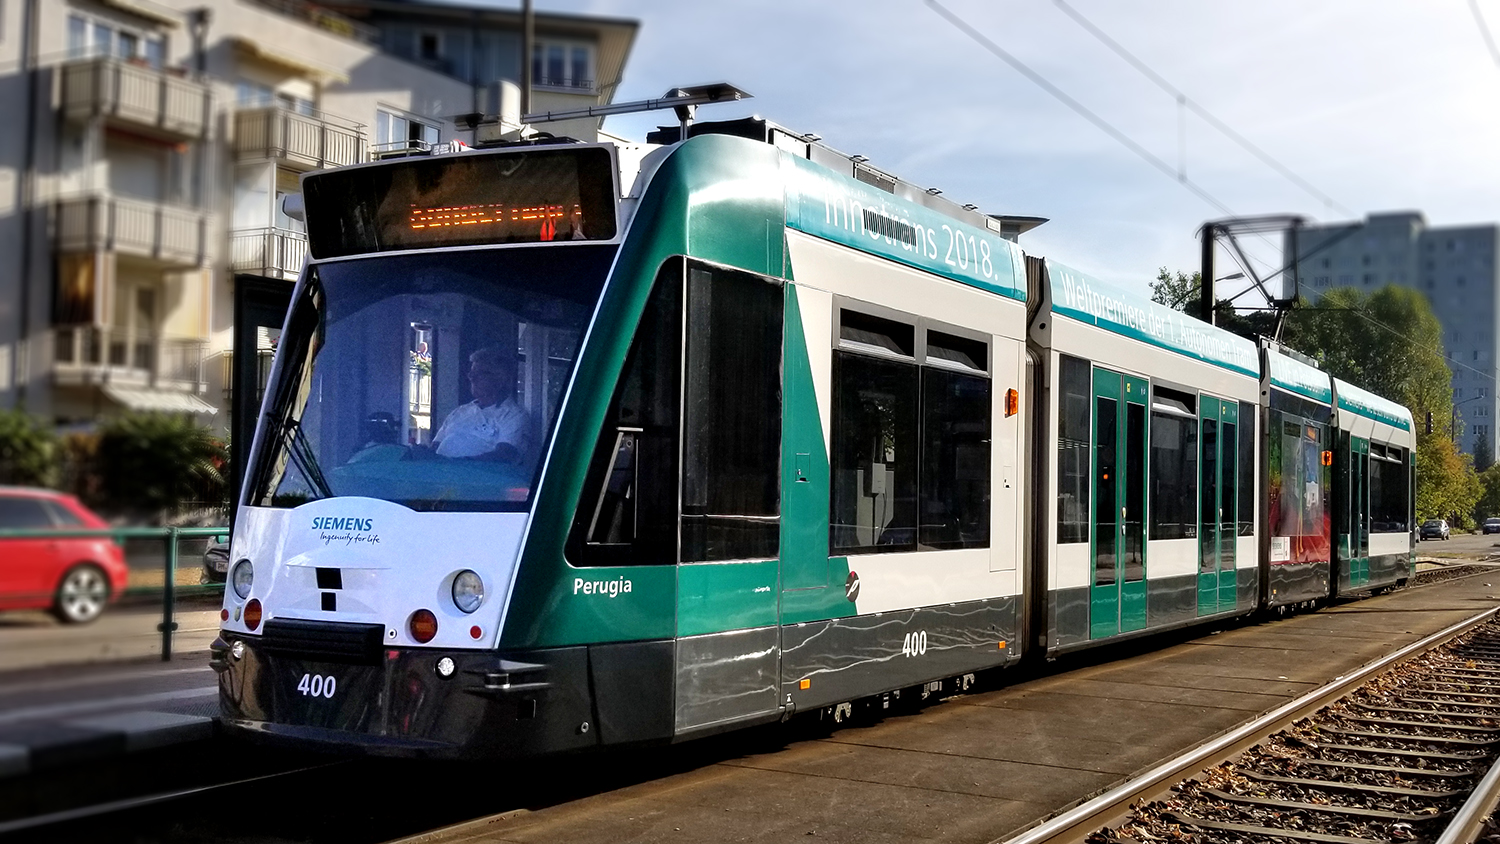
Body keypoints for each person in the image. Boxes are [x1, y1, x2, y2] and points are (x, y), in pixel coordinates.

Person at [431, 346, 533, 462]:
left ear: (501, 379)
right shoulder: (459, 412)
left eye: (479, 374)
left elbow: (503, 457)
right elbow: (434, 448)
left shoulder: (513, 416)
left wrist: (456, 464)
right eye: (471, 373)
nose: (472, 378)